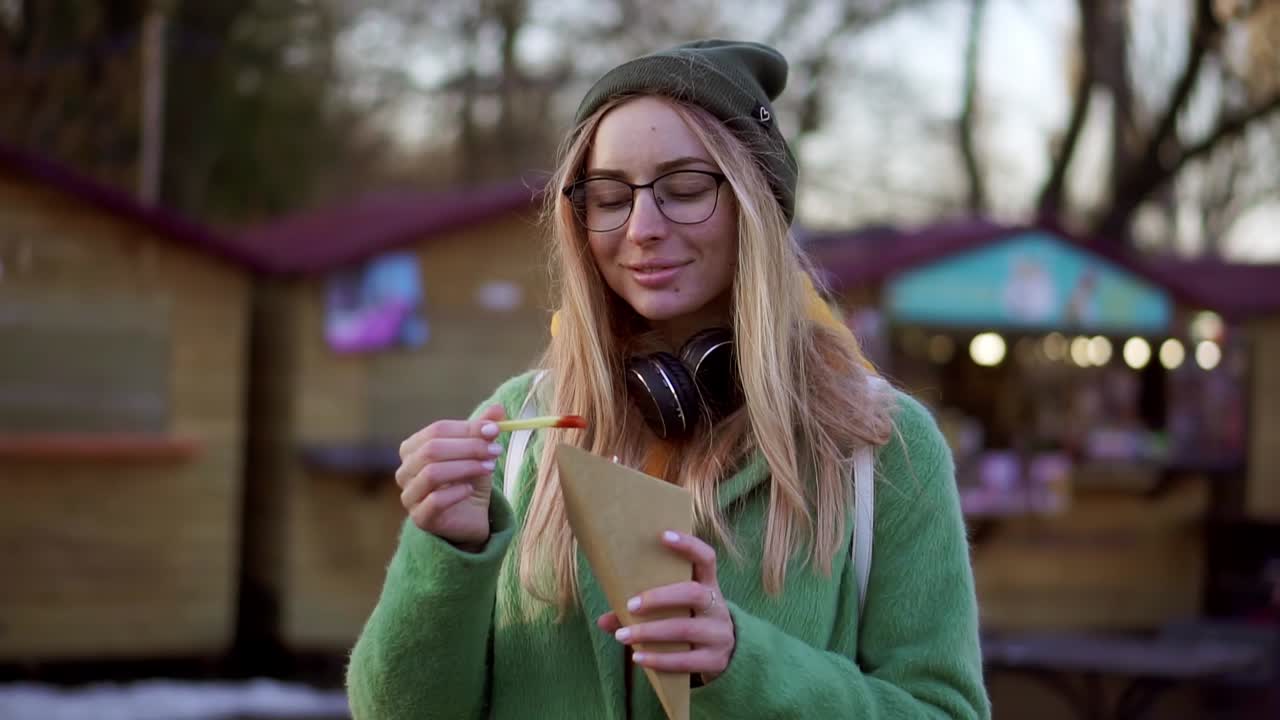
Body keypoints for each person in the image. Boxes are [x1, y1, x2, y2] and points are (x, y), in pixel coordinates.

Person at [346, 39, 990, 720]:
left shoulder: (881, 450)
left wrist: (743, 666)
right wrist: (445, 553)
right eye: (609, 197)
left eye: (684, 190)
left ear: (756, 205)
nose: (643, 227)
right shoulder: (517, 433)